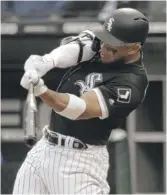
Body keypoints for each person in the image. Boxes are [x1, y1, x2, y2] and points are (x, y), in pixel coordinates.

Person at [13, 8, 149, 194]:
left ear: (133, 48)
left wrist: (41, 90)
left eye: (111, 47)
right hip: (44, 149)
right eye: (103, 41)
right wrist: (45, 62)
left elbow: (79, 110)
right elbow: (77, 48)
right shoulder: (106, 45)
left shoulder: (131, 83)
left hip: (79, 162)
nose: (102, 48)